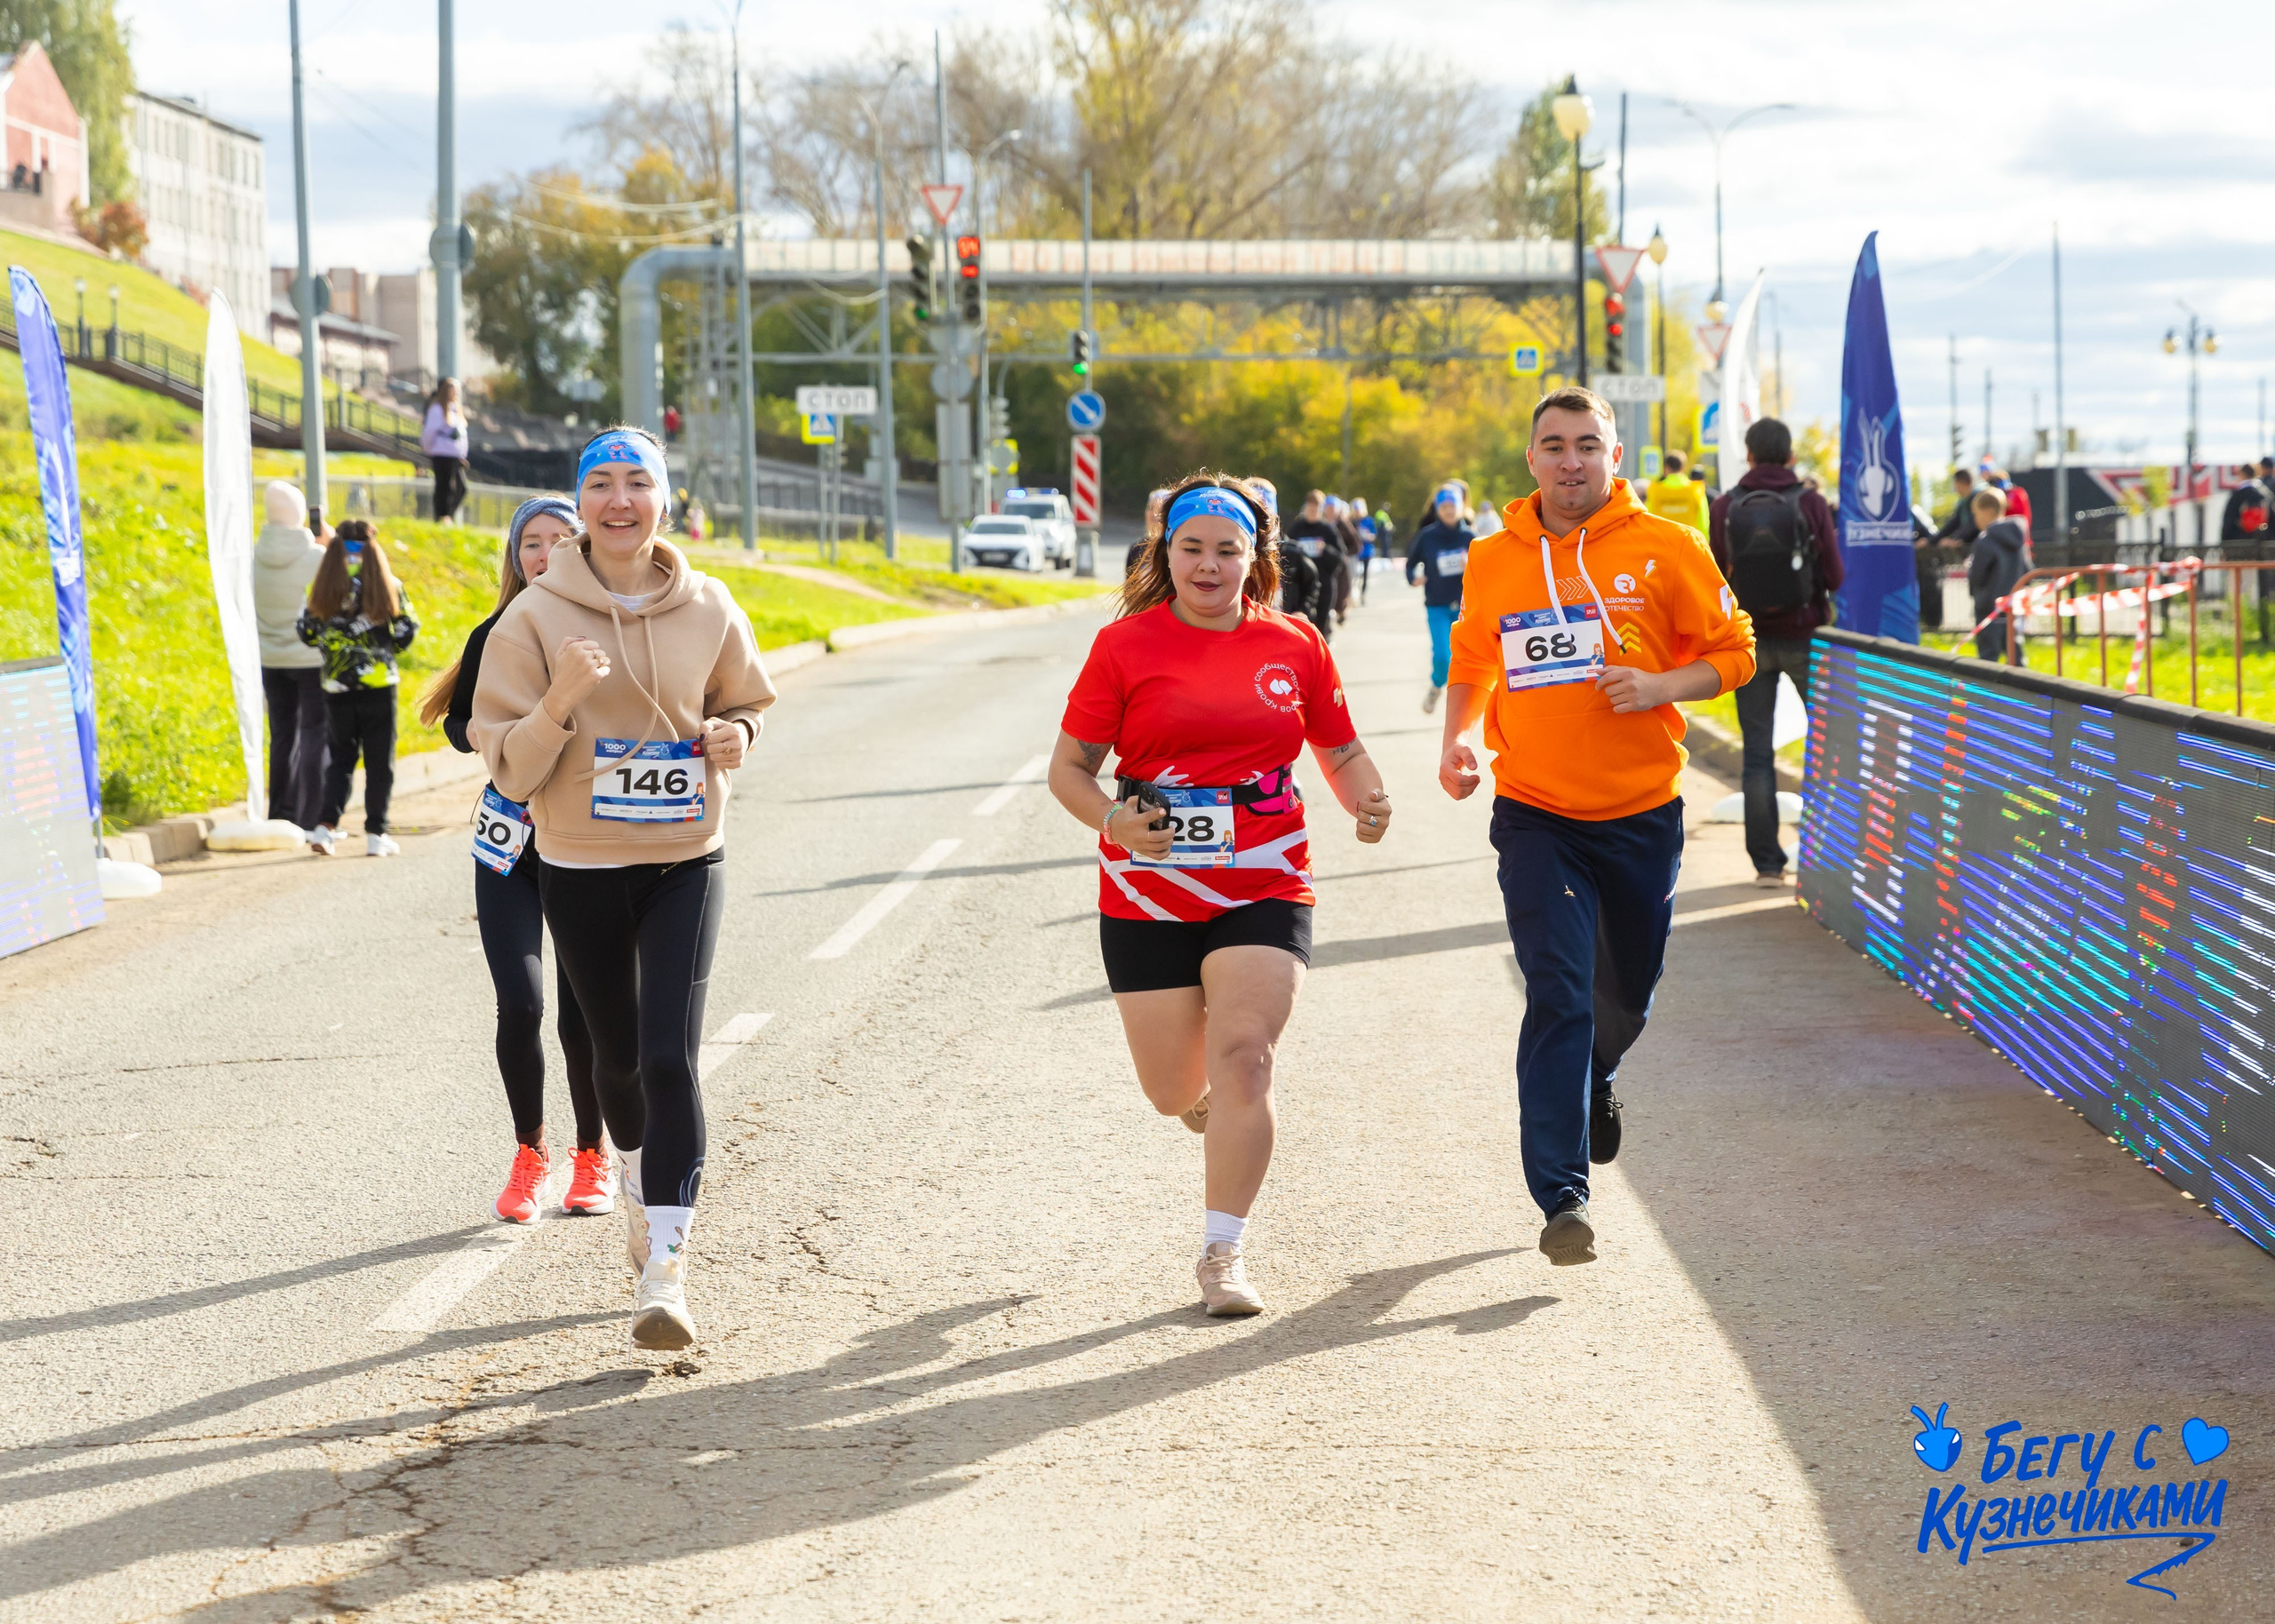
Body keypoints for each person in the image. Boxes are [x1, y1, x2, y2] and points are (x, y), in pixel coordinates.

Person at [1050, 472, 1393, 1317]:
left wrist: (1369, 800)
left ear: (1256, 556)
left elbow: (1339, 750)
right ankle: (1198, 1101)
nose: (1209, 565)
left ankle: (1223, 1251)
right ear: (1167, 554)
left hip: (1267, 876)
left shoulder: (1296, 643)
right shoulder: (1125, 646)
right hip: (1150, 886)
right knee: (1172, 1090)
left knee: (1248, 1056)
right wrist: (1111, 823)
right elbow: (1069, 769)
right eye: (1192, 548)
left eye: (1227, 550)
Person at [473, 426, 776, 1351]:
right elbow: (510, 774)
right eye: (600, 483)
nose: (618, 499)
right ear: (580, 504)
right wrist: (560, 697)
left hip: (689, 854)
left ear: (664, 498)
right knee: (611, 1064)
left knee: (667, 1055)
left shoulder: (711, 604)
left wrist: (737, 739)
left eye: (636, 482)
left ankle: (668, 1270)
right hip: (580, 864)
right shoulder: (531, 619)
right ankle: (641, 1179)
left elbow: (746, 703)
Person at [1438, 387, 1754, 1268]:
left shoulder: (1668, 548)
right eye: (1553, 445)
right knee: (1558, 992)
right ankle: (1561, 1196)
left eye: (1587, 444)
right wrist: (1458, 741)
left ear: (1615, 455)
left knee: (1627, 994)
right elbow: (1472, 662)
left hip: (1641, 815)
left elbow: (1737, 651)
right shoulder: (1494, 557)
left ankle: (1597, 1079)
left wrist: (1659, 687)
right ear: (1530, 458)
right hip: (1536, 812)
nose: (1570, 460)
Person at [416, 496, 610, 1226]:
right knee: (521, 1004)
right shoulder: (494, 631)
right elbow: (459, 724)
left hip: (586, 843)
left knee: (582, 1011)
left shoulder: (608, 627)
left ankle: (592, 1156)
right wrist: (495, 737)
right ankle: (531, 1155)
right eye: (532, 540)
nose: (545, 550)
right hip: (509, 842)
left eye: (562, 538)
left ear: (585, 545)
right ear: (515, 555)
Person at [1708, 417, 1844, 888]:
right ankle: (1826, 857)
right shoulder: (1810, 501)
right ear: (1790, 457)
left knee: (1757, 753)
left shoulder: (1725, 505)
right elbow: (1835, 573)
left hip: (1749, 643)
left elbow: (1717, 577)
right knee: (1826, 747)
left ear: (1748, 455)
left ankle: (1767, 863)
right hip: (1806, 636)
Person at [299, 520, 418, 857]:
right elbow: (407, 629)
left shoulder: (322, 586)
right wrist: (382, 650)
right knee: (380, 761)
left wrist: (334, 649)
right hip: (379, 684)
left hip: (337, 686)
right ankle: (376, 834)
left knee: (340, 759)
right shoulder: (387, 583)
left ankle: (325, 827)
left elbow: (305, 631)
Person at [254, 480, 328, 831]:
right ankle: (310, 815)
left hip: (270, 658)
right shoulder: (316, 557)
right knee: (314, 734)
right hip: (311, 659)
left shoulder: (253, 554)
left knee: (282, 735)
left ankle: (279, 813)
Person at [1406, 484, 1474, 713]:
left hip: (1465, 605)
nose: (1448, 510)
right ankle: (1436, 686)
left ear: (1461, 507)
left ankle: (1463, 707)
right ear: (1437, 509)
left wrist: (1471, 566)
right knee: (1444, 657)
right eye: (1443, 506)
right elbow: (1411, 563)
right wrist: (1413, 578)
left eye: (1452, 506)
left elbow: (1486, 569)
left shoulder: (1470, 536)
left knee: (1469, 659)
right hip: (1437, 605)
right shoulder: (1427, 536)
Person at [1968, 487, 2031, 665]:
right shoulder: (2019, 539)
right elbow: (2028, 570)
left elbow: (1977, 576)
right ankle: (2022, 690)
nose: (1975, 519)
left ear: (1987, 512)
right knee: (2015, 654)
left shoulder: (1985, 540)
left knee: (1988, 658)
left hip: (1989, 608)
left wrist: (1975, 594)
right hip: (2013, 606)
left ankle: (1987, 692)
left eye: (1976, 514)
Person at [423, 377, 470, 524]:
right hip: (441, 453)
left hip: (454, 455)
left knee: (461, 489)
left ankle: (448, 515)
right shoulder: (437, 410)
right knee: (444, 486)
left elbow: (460, 435)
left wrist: (462, 454)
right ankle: (442, 516)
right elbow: (429, 433)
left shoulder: (455, 410)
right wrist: (430, 449)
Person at [1644, 450, 1710, 531]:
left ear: (1666, 468)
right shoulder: (1696, 489)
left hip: (1662, 541)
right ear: (1683, 467)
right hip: (1689, 541)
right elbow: (1703, 521)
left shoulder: (1654, 489)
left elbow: (1648, 518)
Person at [2219, 464, 2270, 545]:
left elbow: (2229, 521)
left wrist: (2225, 542)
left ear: (2242, 474)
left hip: (2240, 543)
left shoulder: (2238, 495)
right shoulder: (2266, 494)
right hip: (2264, 543)